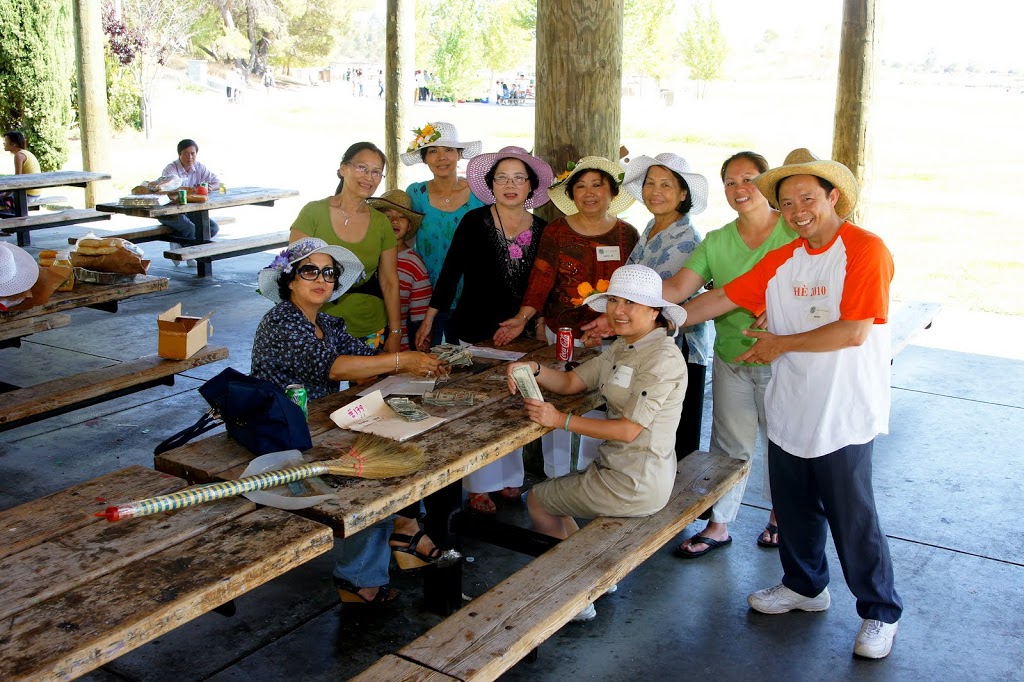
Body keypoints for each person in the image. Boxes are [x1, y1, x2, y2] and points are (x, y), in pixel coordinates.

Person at [679, 149, 902, 659]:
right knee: (795, 506)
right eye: (788, 202)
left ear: (833, 196)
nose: (799, 210)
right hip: (791, 401)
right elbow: (724, 298)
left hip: (843, 408)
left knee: (852, 514)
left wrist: (779, 344)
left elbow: (853, 331)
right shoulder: (786, 257)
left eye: (808, 197)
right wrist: (663, 317)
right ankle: (805, 586)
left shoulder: (865, 249)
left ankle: (880, 610)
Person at [251, 237, 450, 604]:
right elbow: (334, 367)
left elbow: (366, 360)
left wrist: (415, 363)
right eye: (310, 271)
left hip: (316, 424)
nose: (321, 279)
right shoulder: (281, 321)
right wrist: (401, 361)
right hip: (279, 436)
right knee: (371, 466)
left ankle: (404, 527)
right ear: (289, 280)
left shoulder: (326, 322)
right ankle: (360, 574)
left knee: (403, 440)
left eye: (329, 273)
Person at [509, 264, 687, 620]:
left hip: (635, 481)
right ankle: (589, 578)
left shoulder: (661, 358)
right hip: (621, 468)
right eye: (614, 301)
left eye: (631, 303)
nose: (619, 310)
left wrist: (560, 420)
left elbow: (628, 430)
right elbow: (572, 383)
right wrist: (531, 369)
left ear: (655, 311)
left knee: (539, 500)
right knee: (554, 496)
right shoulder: (624, 346)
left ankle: (573, 595)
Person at [664, 151, 797, 559]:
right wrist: (626, 296)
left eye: (749, 179)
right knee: (728, 446)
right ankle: (719, 523)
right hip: (731, 358)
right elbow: (678, 290)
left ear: (767, 183)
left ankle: (783, 517)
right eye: (731, 182)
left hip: (786, 361)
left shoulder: (794, 230)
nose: (740, 189)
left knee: (783, 444)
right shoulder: (718, 240)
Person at [415, 146, 553, 514]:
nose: (510, 185)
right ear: (491, 185)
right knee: (478, 409)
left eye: (519, 178)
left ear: (531, 186)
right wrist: (430, 318)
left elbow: (543, 285)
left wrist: (536, 323)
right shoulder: (474, 221)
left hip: (520, 332)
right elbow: (450, 273)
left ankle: (510, 476)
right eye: (502, 178)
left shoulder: (543, 229)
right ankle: (478, 486)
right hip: (472, 328)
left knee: (516, 406)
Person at [495, 155, 638, 478]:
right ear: (571, 194)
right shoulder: (557, 230)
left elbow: (633, 290)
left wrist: (614, 323)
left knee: (606, 402)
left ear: (612, 192)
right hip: (561, 335)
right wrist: (523, 317)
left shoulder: (627, 234)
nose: (589, 193)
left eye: (597, 185)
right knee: (556, 401)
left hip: (609, 337)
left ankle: (595, 475)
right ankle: (556, 476)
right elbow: (542, 277)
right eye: (581, 186)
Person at [618, 153, 712, 462]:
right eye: (650, 183)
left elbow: (655, 297)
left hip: (678, 348)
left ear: (683, 193)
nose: (655, 191)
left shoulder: (687, 239)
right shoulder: (651, 227)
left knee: (673, 441)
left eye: (666, 185)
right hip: (649, 344)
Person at [290, 142, 404, 354]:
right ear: (343, 169)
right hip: (316, 324)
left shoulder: (381, 223)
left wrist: (396, 332)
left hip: (369, 325)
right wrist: (300, 323)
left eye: (376, 172)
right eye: (362, 168)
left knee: (371, 378)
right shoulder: (313, 213)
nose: (369, 177)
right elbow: (292, 272)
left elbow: (390, 281)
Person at [401, 122, 484, 344]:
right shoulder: (416, 193)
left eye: (448, 150)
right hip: (425, 293)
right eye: (433, 151)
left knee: (469, 357)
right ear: (424, 158)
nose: (441, 157)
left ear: (459, 154)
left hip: (471, 293)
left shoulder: (479, 194)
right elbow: (404, 238)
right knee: (426, 356)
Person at [367, 189, 430, 351]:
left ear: (409, 226)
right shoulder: (367, 256)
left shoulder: (414, 263)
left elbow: (420, 314)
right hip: (362, 340)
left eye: (402, 217)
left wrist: (421, 346)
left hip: (398, 345)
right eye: (388, 216)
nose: (395, 221)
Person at [154, 139, 221, 246]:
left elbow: (218, 182)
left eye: (192, 153)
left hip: (189, 210)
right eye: (186, 153)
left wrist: (211, 187)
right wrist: (192, 190)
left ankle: (183, 244)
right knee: (191, 229)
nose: (189, 157)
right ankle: (189, 250)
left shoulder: (199, 167)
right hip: (169, 212)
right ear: (179, 154)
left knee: (212, 228)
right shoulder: (170, 169)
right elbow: (167, 188)